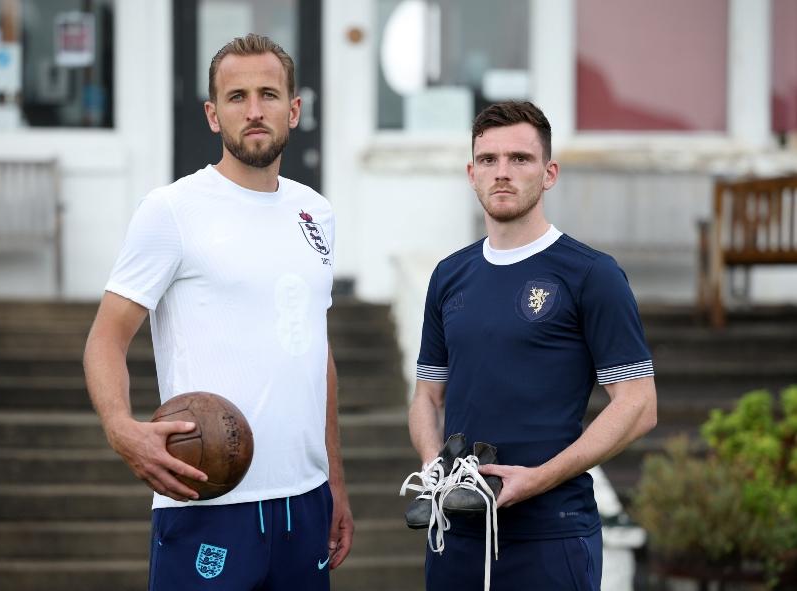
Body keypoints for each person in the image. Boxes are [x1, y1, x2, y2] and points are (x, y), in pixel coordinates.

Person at [83, 34, 353, 590]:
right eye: (236, 97)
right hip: (206, 499)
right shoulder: (172, 211)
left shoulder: (316, 213)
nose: (254, 111)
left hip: (304, 503)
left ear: (294, 109)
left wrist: (334, 483)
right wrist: (120, 428)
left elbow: (313, 351)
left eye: (269, 94)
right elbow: (106, 339)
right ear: (212, 114)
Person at [407, 100, 657, 590]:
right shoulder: (448, 276)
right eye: (488, 160)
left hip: (551, 536)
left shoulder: (591, 274)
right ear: (471, 173)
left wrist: (538, 478)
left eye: (520, 159)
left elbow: (639, 405)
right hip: (455, 535)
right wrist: (432, 464)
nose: (502, 173)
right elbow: (427, 395)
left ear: (549, 173)